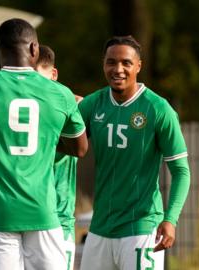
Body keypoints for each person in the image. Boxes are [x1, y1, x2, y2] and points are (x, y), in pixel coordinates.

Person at [0, 18, 88, 270]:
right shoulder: (60, 93)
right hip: (43, 214)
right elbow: (80, 149)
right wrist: (48, 141)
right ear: (34, 49)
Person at [79, 35, 190, 270]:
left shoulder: (158, 109)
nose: (117, 69)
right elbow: (60, 142)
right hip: (100, 227)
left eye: (126, 63)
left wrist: (170, 219)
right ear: (103, 64)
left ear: (138, 66)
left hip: (141, 226)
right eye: (111, 62)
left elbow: (181, 172)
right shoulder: (93, 104)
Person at [36, 44, 81, 270]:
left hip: (60, 223)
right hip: (25, 221)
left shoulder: (70, 109)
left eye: (40, 79)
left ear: (53, 75)